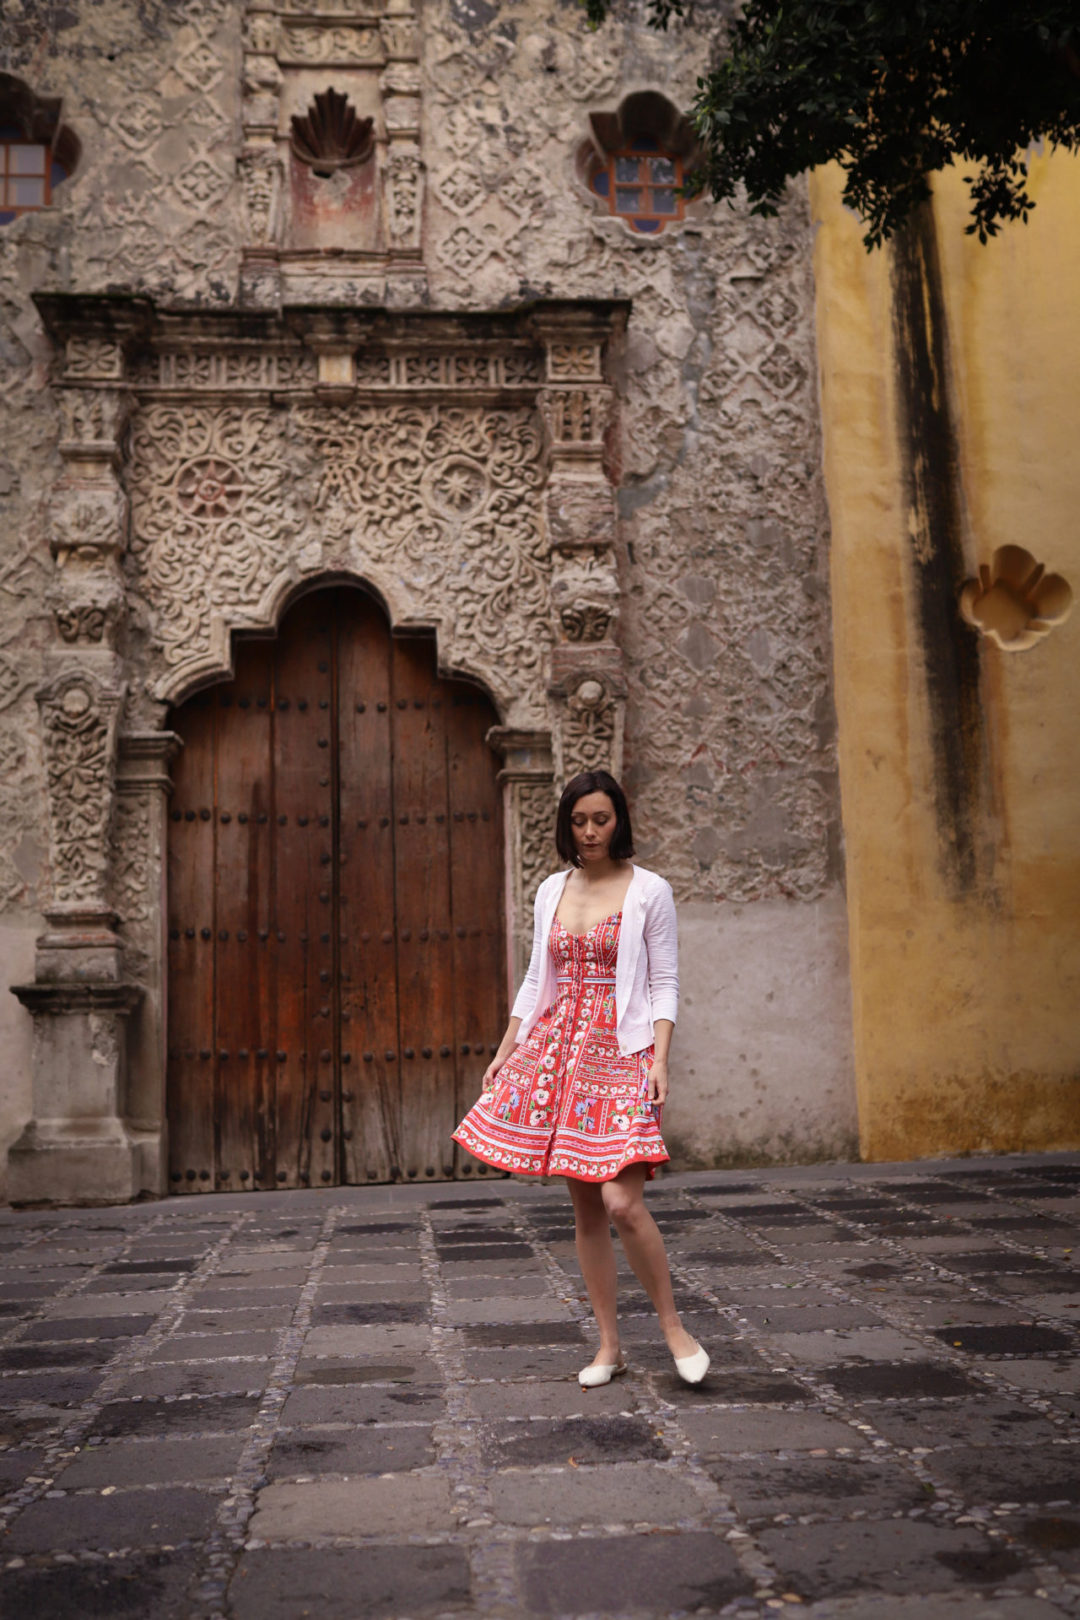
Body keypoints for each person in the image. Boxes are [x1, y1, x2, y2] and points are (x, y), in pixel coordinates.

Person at [453, 769, 709, 1389]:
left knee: (623, 1201)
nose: (591, 832)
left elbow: (665, 982)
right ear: (566, 825)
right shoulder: (550, 890)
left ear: (619, 819)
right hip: (559, 1054)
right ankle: (608, 1345)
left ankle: (675, 1329)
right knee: (587, 1207)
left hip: (621, 1051)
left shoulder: (650, 890)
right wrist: (506, 1049)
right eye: (579, 821)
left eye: (601, 819)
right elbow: (536, 980)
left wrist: (660, 1058)